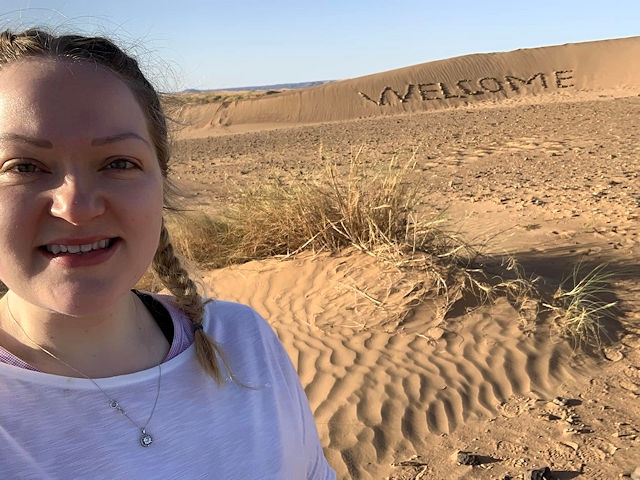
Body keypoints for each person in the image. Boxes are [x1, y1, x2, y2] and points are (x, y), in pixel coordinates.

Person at [0, 28, 335, 479]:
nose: (76, 208)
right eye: (22, 166)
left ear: (161, 184)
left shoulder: (242, 340)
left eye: (119, 162)